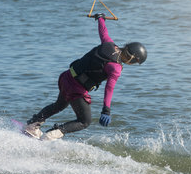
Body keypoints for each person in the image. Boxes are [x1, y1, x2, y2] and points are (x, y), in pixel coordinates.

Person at [24, 13, 147, 141]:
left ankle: (32, 125)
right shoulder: (116, 68)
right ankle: (50, 135)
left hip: (66, 78)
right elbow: (109, 88)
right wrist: (106, 111)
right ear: (132, 59)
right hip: (76, 89)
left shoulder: (109, 44)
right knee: (84, 121)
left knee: (59, 105)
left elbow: (103, 31)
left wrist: (100, 18)